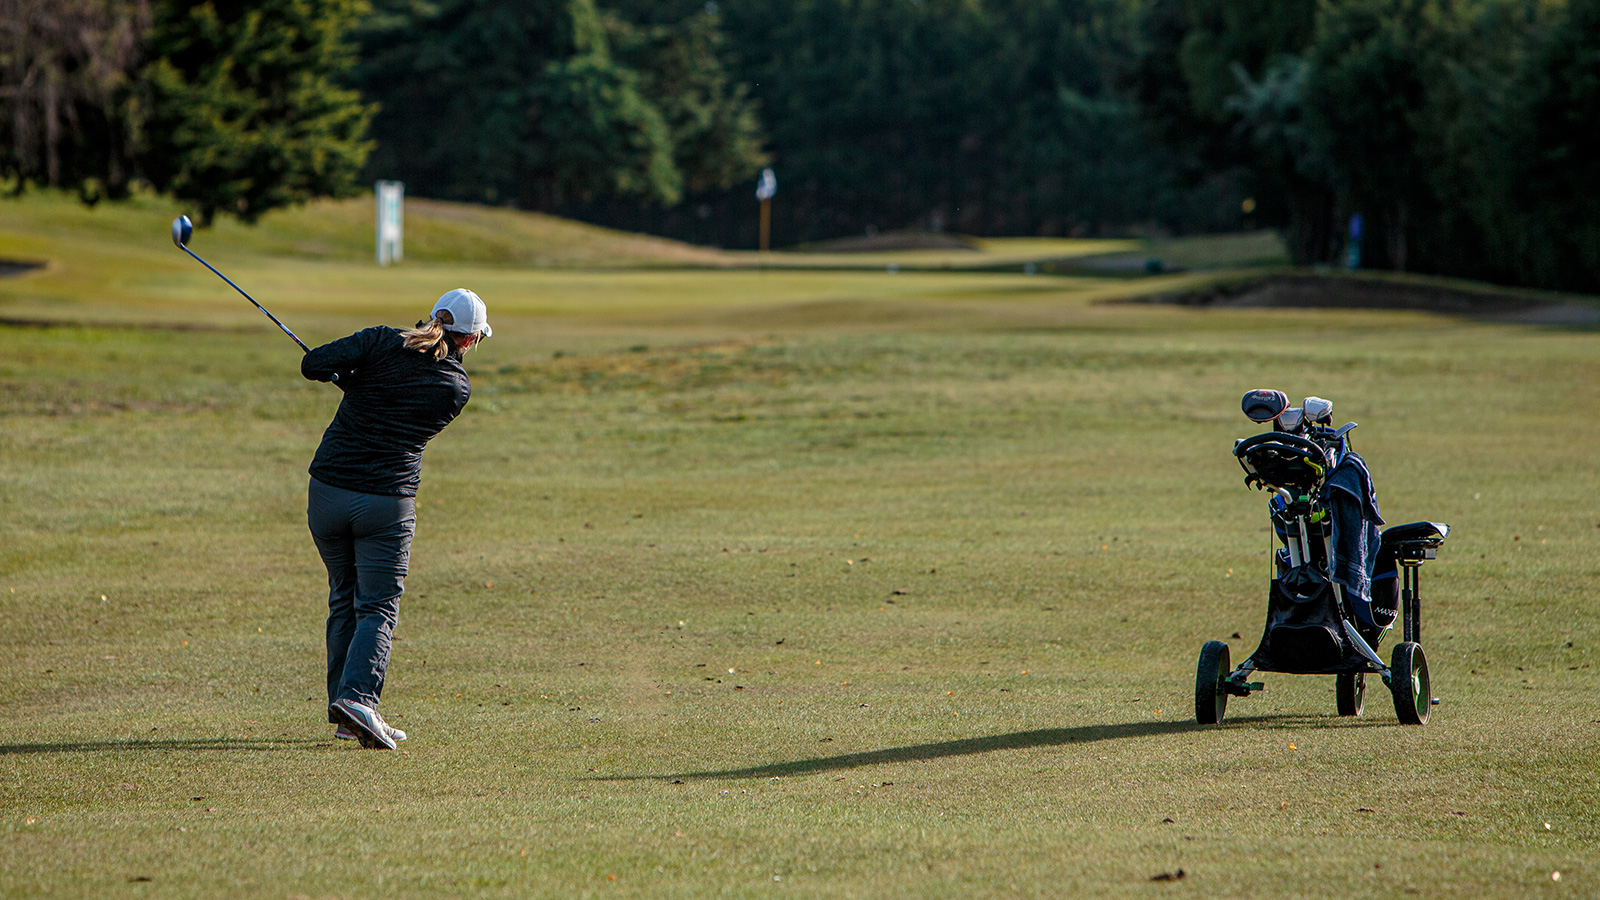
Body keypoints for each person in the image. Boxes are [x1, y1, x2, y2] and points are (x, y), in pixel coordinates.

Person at [301, 288, 491, 749]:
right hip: (384, 504)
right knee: (379, 605)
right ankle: (359, 697)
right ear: (468, 341)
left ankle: (347, 712)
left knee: (343, 598)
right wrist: (358, 381)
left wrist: (351, 376)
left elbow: (314, 365)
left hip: (327, 493)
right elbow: (398, 397)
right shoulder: (455, 387)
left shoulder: (380, 340)